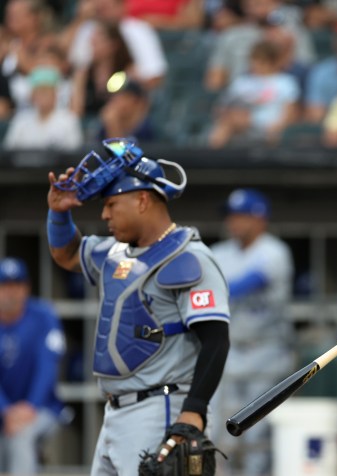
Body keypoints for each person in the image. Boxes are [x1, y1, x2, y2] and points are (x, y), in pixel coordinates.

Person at [46, 138, 230, 475]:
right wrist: (59, 214)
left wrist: (194, 410)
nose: (104, 214)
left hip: (159, 407)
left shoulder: (187, 257)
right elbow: (67, 254)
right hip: (114, 413)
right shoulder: (115, 253)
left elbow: (216, 339)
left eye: (112, 204)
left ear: (142, 200)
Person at [210, 188, 294, 476]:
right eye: (231, 216)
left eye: (242, 216)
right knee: (224, 428)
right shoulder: (220, 253)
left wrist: (213, 285)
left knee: (257, 432)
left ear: (260, 219)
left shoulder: (275, 252)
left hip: (268, 351)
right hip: (232, 351)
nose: (234, 223)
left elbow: (241, 285)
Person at [0, 256, 67, 475]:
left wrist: (29, 407)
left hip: (42, 409)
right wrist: (6, 411)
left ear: (26, 288)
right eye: (4, 285)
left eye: (16, 285)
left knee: (20, 437)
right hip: (4, 412)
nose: (11, 292)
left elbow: (47, 368)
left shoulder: (43, 315)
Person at [3, 66, 83, 150]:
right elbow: (8, 151)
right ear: (32, 95)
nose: (42, 96)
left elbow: (74, 154)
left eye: (46, 92)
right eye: (39, 92)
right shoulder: (21, 120)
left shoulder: (69, 120)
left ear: (55, 95)